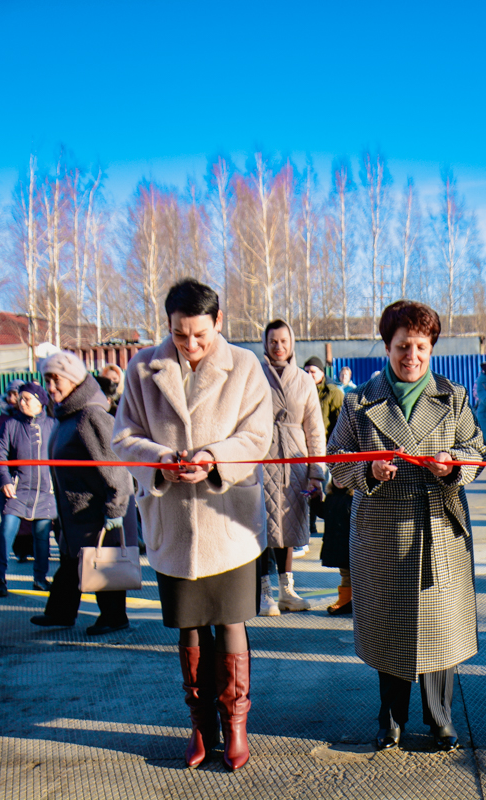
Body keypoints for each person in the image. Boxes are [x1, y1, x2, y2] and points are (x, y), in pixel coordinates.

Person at [113, 279, 272, 771]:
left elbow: (257, 435)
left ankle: (236, 724)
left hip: (229, 523)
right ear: (169, 325)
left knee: (230, 623)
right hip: (173, 523)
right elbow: (124, 437)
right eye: (181, 335)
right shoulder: (143, 368)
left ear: (218, 322)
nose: (191, 345)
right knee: (188, 629)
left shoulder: (244, 366)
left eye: (200, 334)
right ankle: (201, 725)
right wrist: (162, 460)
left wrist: (214, 457)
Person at [327, 299, 485, 753]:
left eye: (419, 346)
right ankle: (391, 719)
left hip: (441, 529)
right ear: (387, 346)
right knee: (390, 628)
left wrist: (453, 467)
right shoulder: (358, 402)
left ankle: (440, 719)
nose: (410, 356)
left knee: (440, 628)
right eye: (401, 346)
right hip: (382, 533)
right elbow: (336, 464)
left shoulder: (453, 398)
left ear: (432, 348)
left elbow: (475, 450)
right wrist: (367, 472)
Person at [31, 350, 135, 637]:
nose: (50, 387)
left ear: (75, 380)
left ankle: (114, 617)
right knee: (70, 561)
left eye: (56, 380)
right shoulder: (68, 415)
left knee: (104, 564)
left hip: (97, 513)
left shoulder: (90, 416)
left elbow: (115, 468)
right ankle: (61, 612)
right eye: (47, 380)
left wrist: (115, 510)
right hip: (75, 514)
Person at [256, 320, 325, 615]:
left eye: (284, 341)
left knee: (287, 526)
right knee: (259, 526)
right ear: (265, 344)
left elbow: (315, 429)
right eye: (273, 341)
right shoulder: (254, 376)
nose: (279, 347)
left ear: (292, 343)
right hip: (261, 458)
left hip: (294, 458)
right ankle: (262, 592)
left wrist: (316, 472)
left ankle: (287, 590)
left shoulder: (304, 381)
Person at [0, 382, 57, 596]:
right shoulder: (10, 425)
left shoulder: (53, 425)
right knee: (6, 534)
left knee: (42, 538)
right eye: (21, 398)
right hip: (17, 492)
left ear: (40, 402)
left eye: (27, 398)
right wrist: (5, 481)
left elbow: (61, 456)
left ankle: (40, 578)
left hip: (46, 492)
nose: (22, 402)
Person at [305, 356, 352, 614]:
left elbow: (341, 421)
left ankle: (356, 598)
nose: (310, 374)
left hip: (331, 447)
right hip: (338, 543)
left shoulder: (334, 393)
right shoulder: (334, 494)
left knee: (354, 569)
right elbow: (325, 510)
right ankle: (346, 597)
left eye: (314, 370)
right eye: (307, 370)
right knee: (345, 572)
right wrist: (315, 499)